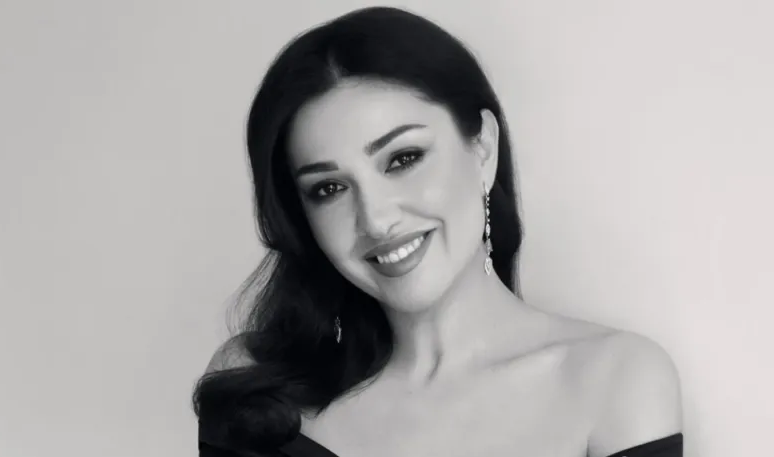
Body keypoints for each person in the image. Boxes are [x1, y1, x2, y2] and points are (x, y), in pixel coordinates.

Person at [193, 6, 682, 457]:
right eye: (329, 188)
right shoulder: (253, 388)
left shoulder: (614, 382)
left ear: (483, 148)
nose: (376, 220)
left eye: (403, 159)